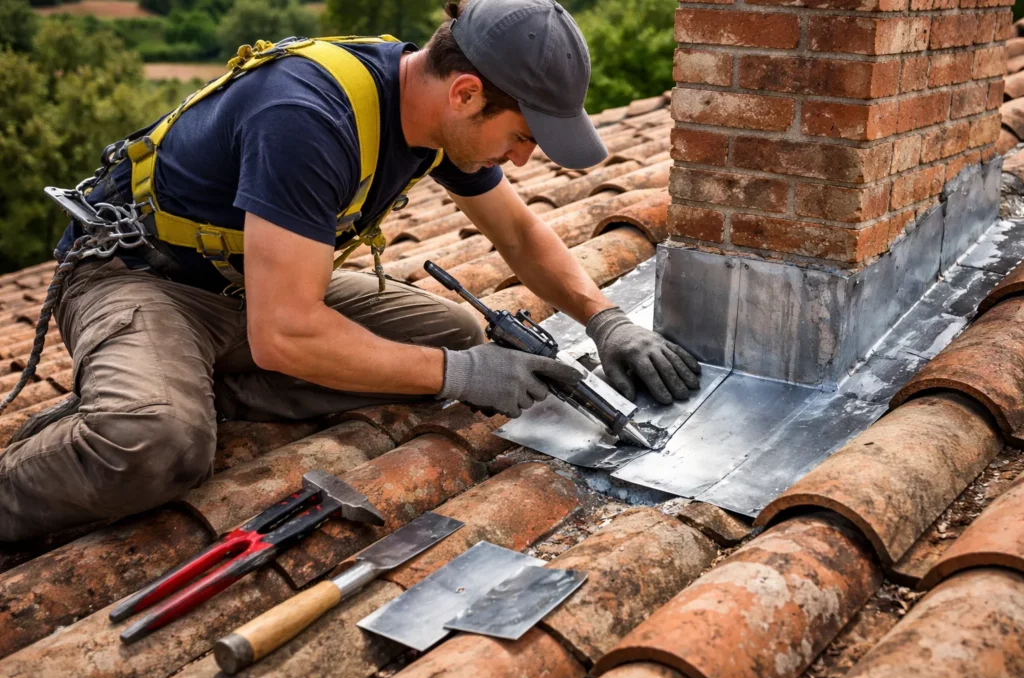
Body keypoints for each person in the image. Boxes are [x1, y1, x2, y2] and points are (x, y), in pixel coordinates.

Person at [0, 0, 700, 542]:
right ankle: (154, 400)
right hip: (141, 279)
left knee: (455, 332)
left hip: (254, 283)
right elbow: (283, 333)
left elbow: (517, 230)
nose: (521, 160)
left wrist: (603, 318)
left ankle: (199, 379)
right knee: (157, 443)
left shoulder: (437, 115)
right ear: (464, 92)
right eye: (521, 137)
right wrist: (468, 376)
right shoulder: (307, 119)